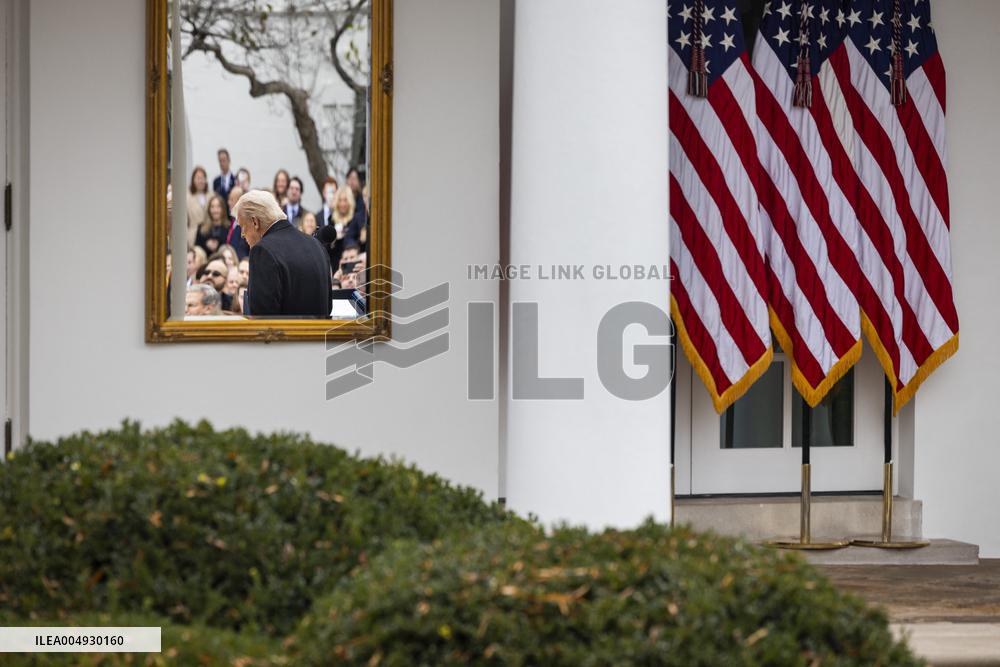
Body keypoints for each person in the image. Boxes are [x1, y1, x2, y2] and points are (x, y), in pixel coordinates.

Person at [232, 190, 332, 317]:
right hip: (320, 335)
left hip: (285, 336)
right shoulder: (316, 245)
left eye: (242, 226)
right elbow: (328, 306)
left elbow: (262, 317)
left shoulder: (262, 251)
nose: (242, 234)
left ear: (255, 222)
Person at [186, 166, 210, 247]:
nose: (201, 181)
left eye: (203, 178)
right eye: (198, 178)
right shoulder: (187, 197)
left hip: (208, 235)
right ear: (193, 180)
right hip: (193, 236)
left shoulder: (211, 195)